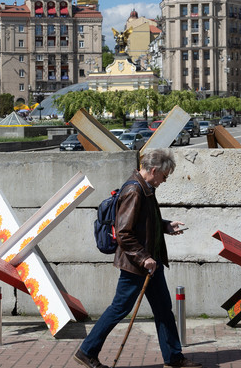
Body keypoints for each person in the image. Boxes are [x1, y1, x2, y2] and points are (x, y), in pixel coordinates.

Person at [73, 149, 201, 368]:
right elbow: (124, 233)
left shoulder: (145, 188)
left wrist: (166, 226)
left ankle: (174, 357)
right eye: (164, 176)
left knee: (163, 310)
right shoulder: (134, 190)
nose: (164, 180)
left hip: (150, 263)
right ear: (154, 170)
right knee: (119, 308)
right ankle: (87, 351)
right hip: (137, 265)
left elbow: (145, 223)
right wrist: (143, 258)